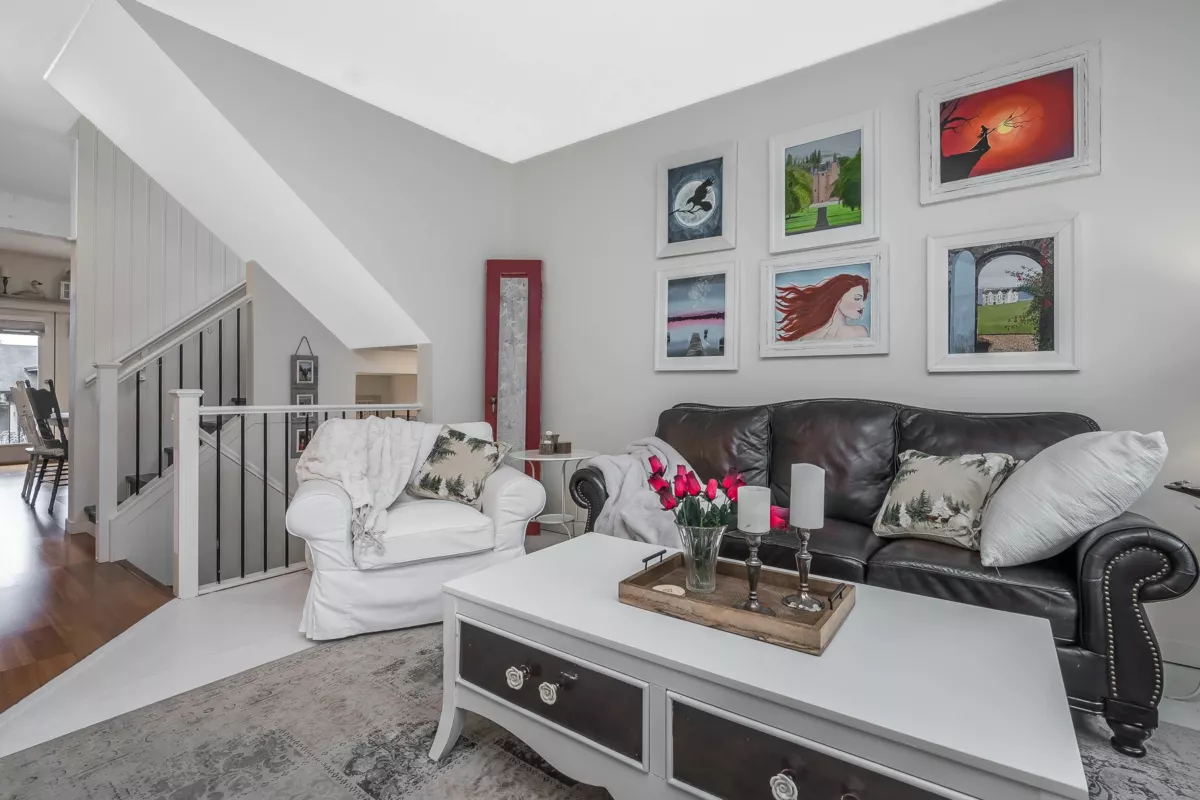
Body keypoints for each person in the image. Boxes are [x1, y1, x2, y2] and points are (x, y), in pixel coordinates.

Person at [775, 273, 870, 341]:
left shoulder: (860, 333)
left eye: (863, 299)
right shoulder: (859, 333)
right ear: (838, 298)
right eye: (857, 299)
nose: (863, 305)